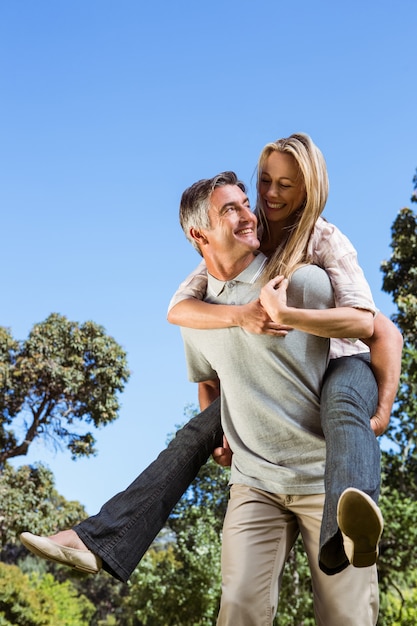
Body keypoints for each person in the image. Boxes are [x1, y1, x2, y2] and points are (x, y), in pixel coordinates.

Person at [20, 134, 402, 584]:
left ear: (309, 190)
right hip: (262, 432)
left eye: (286, 185)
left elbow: (378, 328)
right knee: (191, 438)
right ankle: (99, 540)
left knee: (341, 407)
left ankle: (348, 531)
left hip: (342, 363)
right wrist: (242, 319)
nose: (269, 196)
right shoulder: (234, 251)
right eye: (264, 182)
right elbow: (179, 313)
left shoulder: (321, 239)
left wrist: (381, 406)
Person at [175, 171, 378, 623]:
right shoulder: (196, 313)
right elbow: (207, 379)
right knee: (241, 608)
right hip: (254, 484)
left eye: (247, 203)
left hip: (324, 478)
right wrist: (218, 435)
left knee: (348, 616)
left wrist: (379, 406)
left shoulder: (300, 282)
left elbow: (372, 328)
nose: (251, 213)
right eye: (231, 209)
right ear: (198, 234)